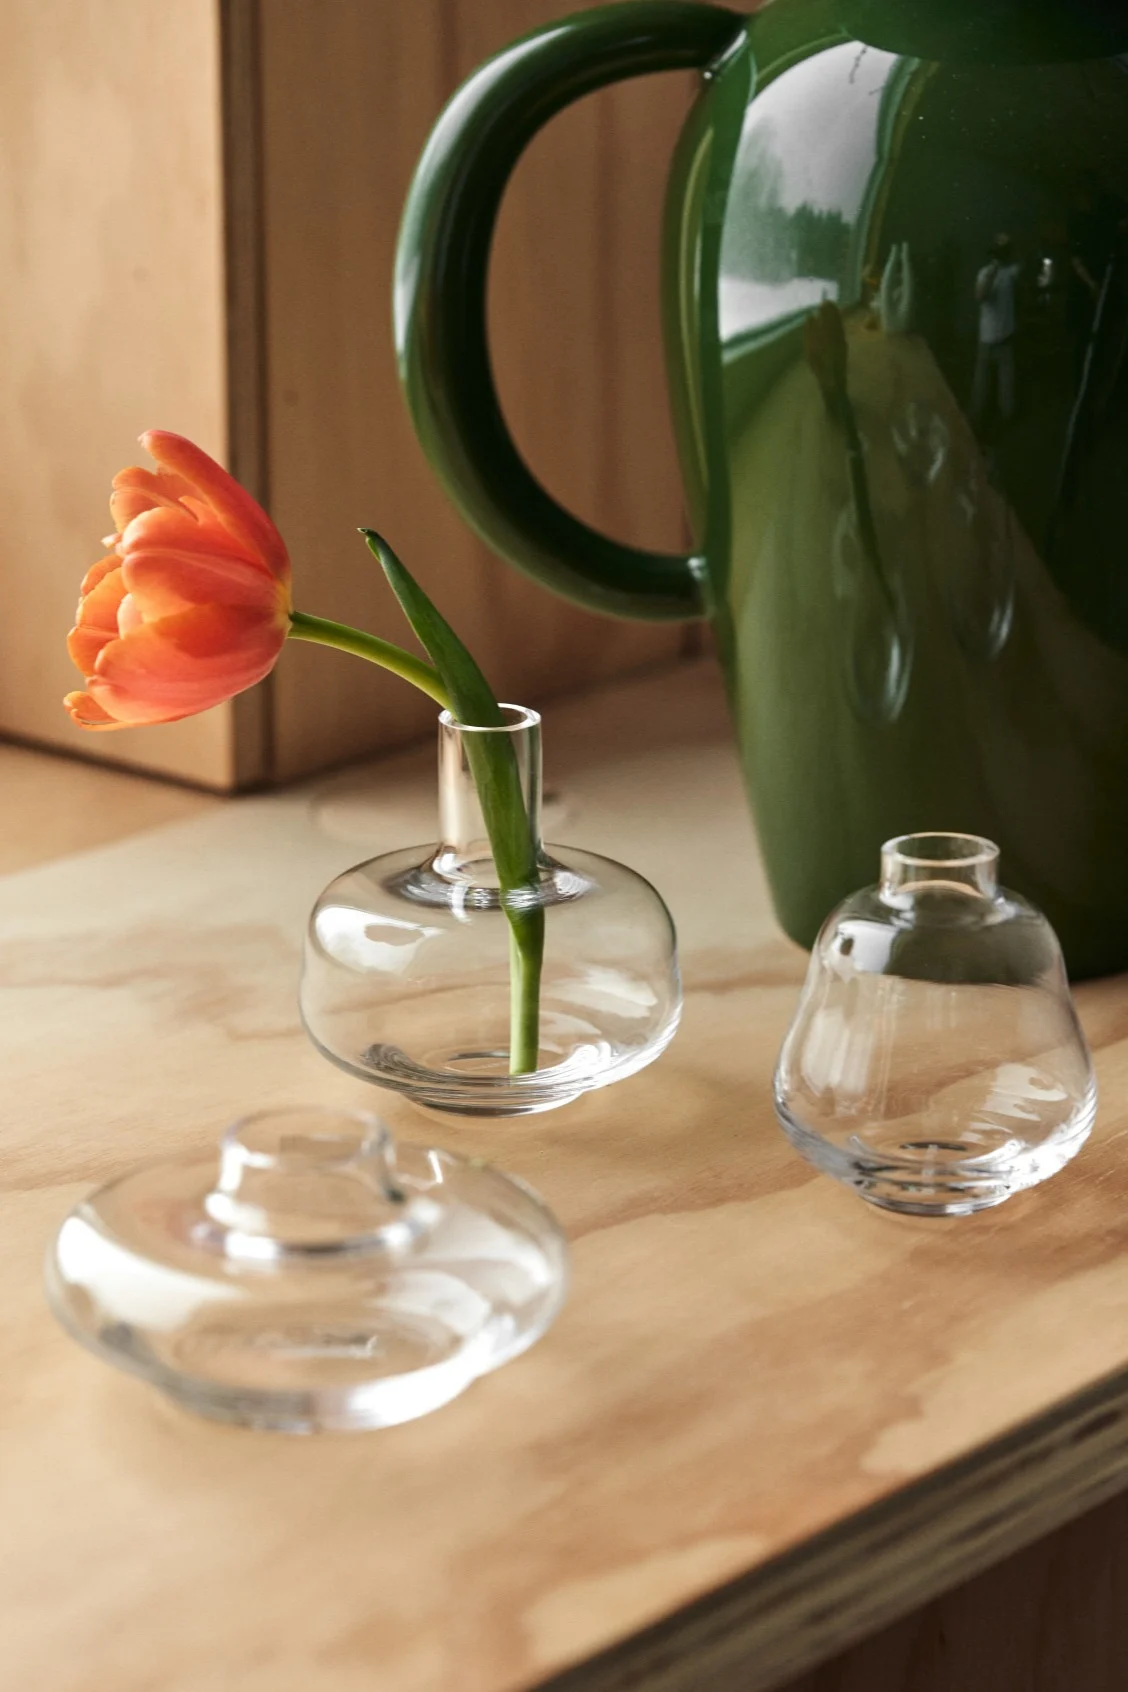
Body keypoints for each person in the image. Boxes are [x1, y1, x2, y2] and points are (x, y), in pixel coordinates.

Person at [972, 234, 1021, 432]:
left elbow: (1022, 267)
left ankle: (1006, 422)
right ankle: (974, 423)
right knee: (980, 387)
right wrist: (992, 272)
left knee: (1006, 387)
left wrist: (1009, 247)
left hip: (1006, 339)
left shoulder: (1011, 272)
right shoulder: (985, 272)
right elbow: (980, 296)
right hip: (987, 340)